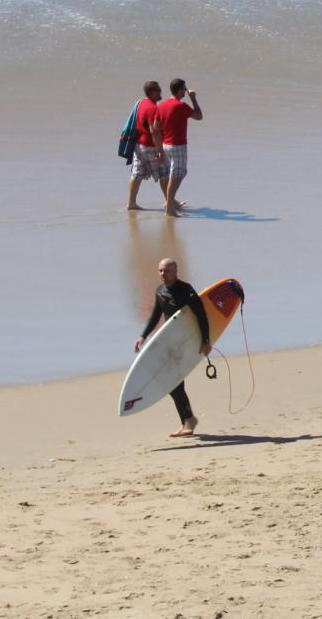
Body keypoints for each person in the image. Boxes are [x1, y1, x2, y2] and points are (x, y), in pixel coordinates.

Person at [134, 258, 210, 438]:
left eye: (167, 271)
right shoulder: (160, 291)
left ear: (175, 272)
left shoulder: (186, 290)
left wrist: (205, 341)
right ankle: (188, 420)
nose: (163, 274)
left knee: (173, 382)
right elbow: (155, 315)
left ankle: (188, 421)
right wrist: (143, 336)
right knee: (173, 383)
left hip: (185, 343)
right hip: (170, 343)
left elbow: (201, 315)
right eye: (160, 271)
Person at [156, 79, 203, 217]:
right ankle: (170, 207)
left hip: (165, 145)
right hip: (177, 145)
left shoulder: (161, 105)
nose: (186, 91)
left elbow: (156, 127)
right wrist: (193, 99)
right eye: (184, 89)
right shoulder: (181, 105)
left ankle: (170, 202)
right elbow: (199, 116)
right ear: (180, 90)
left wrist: (158, 147)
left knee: (167, 175)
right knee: (177, 175)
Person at [126, 80, 168, 211]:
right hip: (151, 146)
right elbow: (154, 131)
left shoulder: (142, 102)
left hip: (139, 146)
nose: (161, 92)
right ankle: (170, 201)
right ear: (152, 92)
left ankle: (131, 203)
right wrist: (160, 150)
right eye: (159, 90)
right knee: (164, 173)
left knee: (136, 174)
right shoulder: (153, 108)